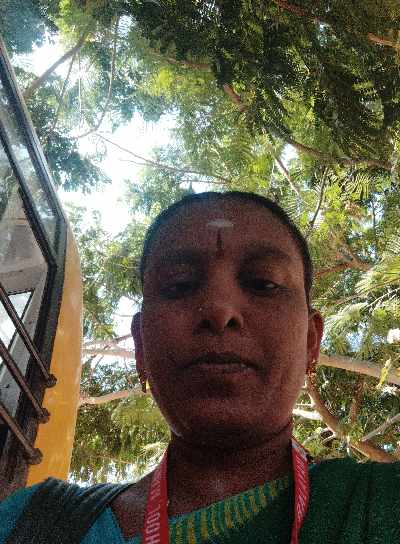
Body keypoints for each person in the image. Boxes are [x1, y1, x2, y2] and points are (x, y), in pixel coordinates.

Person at [1, 190, 399, 543]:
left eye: (263, 283)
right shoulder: (33, 522)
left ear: (311, 341)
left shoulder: (381, 503)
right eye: (179, 285)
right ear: (140, 347)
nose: (220, 311)